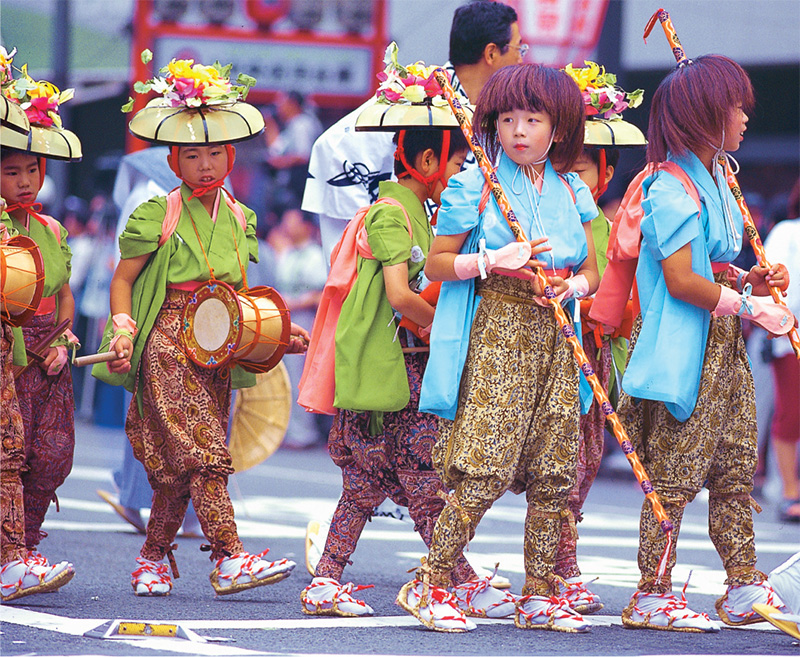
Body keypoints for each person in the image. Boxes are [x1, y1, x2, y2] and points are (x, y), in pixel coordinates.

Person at [302, 0, 525, 585]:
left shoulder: (422, 202)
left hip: (414, 352)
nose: (459, 176)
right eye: (454, 166)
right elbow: (399, 294)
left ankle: (328, 580)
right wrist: (439, 317)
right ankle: (455, 579)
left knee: (373, 483)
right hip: (400, 353)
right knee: (421, 474)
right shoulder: (394, 209)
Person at [592, 54, 794, 632]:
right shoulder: (670, 189)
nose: (746, 116)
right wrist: (753, 305)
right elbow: (681, 281)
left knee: (734, 469)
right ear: (706, 115)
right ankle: (652, 593)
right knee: (674, 476)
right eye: (736, 106)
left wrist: (747, 281)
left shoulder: (717, 179)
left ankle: (740, 586)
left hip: (722, 344)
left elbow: (710, 269)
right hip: (686, 348)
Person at [93, 57, 308, 597]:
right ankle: (230, 557)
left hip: (219, 347)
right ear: (173, 160)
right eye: (193, 155)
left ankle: (151, 559)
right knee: (205, 452)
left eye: (215, 153)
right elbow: (124, 282)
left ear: (231, 156)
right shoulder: (153, 214)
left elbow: (238, 297)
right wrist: (123, 328)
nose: (206, 164)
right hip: (166, 341)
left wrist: (280, 336)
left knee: (176, 470)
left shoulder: (240, 217)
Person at [398, 63, 600, 633]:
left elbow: (595, 266)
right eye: (507, 118)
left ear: (557, 128)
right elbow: (435, 263)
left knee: (556, 465)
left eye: (532, 119)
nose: (518, 130)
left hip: (560, 330)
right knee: (485, 463)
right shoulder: (474, 182)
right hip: (500, 328)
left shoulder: (570, 187)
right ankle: (432, 580)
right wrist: (491, 260)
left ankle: (540, 591)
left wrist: (574, 285)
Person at [302, 0, 524, 263]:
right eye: (518, 48)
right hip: (406, 262)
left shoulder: (497, 113)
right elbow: (334, 146)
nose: (521, 58)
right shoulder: (418, 98)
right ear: (491, 53)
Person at [553, 62, 646, 614]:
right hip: (550, 356)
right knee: (547, 461)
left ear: (605, 172)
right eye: (570, 164)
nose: (577, 177)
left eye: (586, 166)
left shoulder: (611, 226)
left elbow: (628, 297)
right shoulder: (542, 213)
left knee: (584, 460)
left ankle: (564, 565)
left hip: (597, 359)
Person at [1, 65, 83, 572]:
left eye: (33, 170)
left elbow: (65, 297)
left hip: (45, 357)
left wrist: (63, 339)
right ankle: (10, 557)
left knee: (51, 457)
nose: (26, 181)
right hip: (6, 354)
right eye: (12, 171)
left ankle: (25, 546)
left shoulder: (51, 228)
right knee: (7, 455)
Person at [762, 179, 800, 522]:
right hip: (792, 336)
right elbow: (770, 281)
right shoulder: (788, 231)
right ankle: (789, 490)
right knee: (791, 414)